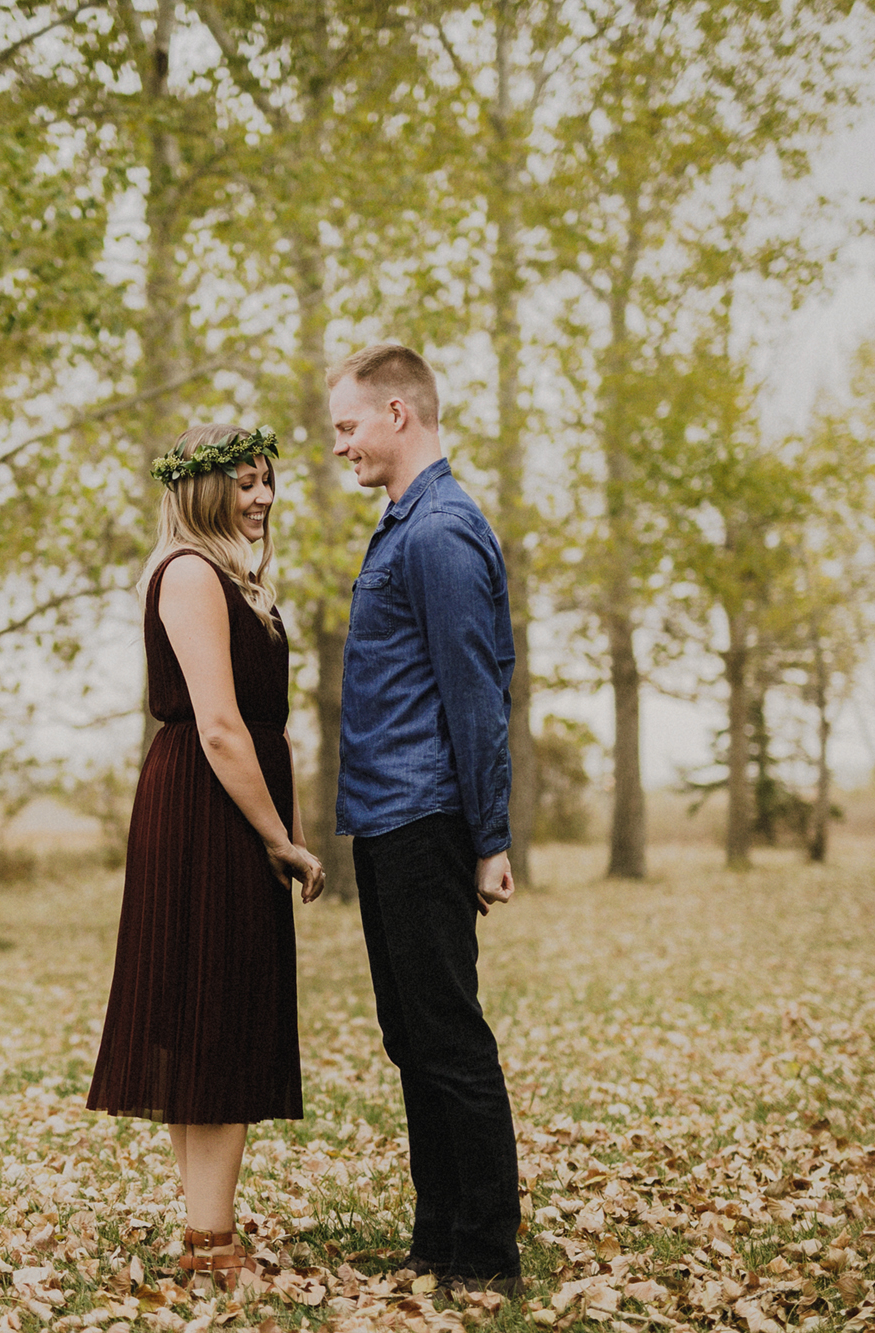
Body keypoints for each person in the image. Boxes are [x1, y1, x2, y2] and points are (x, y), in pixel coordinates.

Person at [87, 422, 327, 1291]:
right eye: (244, 483)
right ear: (198, 491)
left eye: (267, 481)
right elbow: (222, 729)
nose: (262, 497)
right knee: (216, 1020)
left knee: (210, 1019)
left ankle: (204, 1234)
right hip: (210, 808)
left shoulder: (234, 577)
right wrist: (280, 837)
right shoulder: (190, 574)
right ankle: (213, 1245)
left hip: (222, 802)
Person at [328, 344, 524, 1295]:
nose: (341, 445)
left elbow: (478, 694)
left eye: (349, 425)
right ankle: (438, 1235)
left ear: (399, 414)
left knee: (447, 1035)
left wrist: (490, 838)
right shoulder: (404, 522)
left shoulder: (440, 530)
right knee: (412, 1036)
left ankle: (487, 1252)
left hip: (427, 817)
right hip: (387, 817)